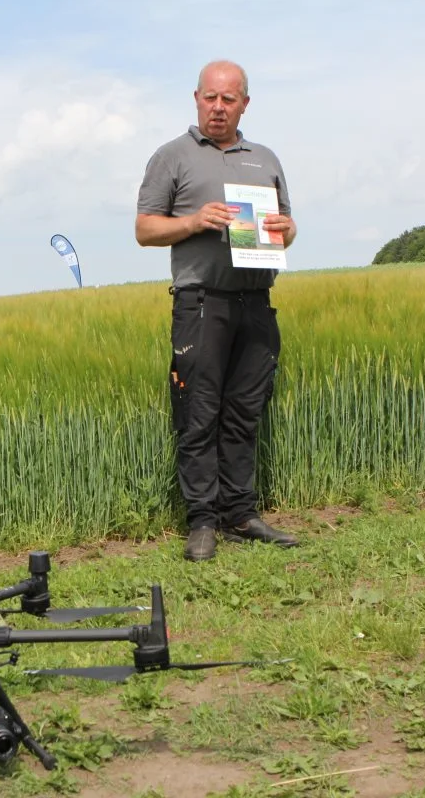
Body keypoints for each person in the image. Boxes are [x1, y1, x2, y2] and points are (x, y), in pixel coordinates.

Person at [134, 59, 299, 562]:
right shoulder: (172, 157)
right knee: (199, 415)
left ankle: (241, 515)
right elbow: (144, 230)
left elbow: (289, 224)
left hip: (256, 303)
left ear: (244, 103)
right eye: (210, 98)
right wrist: (195, 221)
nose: (219, 108)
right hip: (201, 303)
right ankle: (202, 520)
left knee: (245, 413)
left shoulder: (264, 158)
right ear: (196, 98)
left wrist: (282, 231)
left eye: (229, 99)